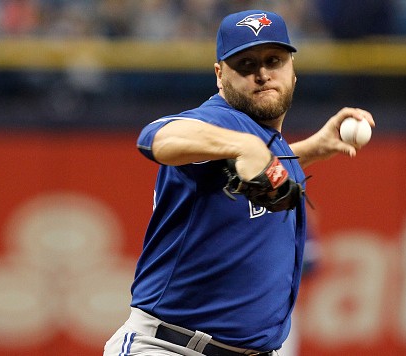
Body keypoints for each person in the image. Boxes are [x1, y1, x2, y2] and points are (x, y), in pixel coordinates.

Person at [104, 9, 374, 356]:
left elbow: (251, 169)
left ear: (293, 71)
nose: (262, 74)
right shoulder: (221, 119)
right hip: (172, 346)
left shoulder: (263, 140)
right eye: (245, 65)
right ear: (220, 76)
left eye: (273, 60)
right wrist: (241, 144)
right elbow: (156, 137)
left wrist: (310, 149)